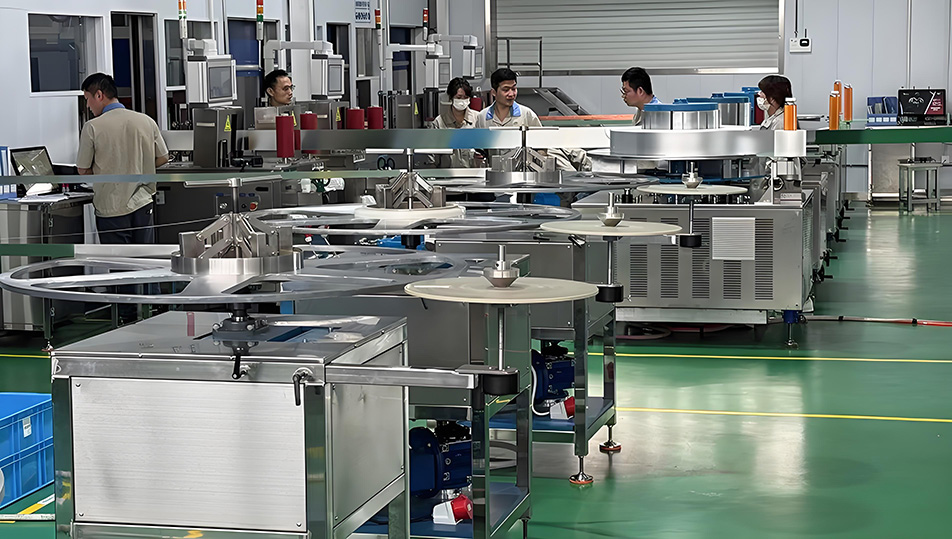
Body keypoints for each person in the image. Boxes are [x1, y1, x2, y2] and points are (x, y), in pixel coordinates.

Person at [76, 73, 169, 245]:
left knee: (119, 260)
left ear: (99, 95)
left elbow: (82, 169)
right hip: (142, 202)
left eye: (87, 99)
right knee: (145, 258)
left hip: (111, 208)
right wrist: (140, 167)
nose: (87, 105)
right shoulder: (146, 121)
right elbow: (163, 157)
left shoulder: (92, 127)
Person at [430, 77, 479, 168]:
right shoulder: (439, 122)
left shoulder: (477, 118)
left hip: (473, 173)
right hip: (447, 174)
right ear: (451, 97)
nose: (462, 101)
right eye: (459, 97)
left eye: (466, 97)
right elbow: (433, 156)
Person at [475, 68, 542, 128]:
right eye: (506, 90)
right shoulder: (482, 117)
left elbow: (540, 137)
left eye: (513, 89)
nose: (511, 94)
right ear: (494, 92)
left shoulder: (527, 115)